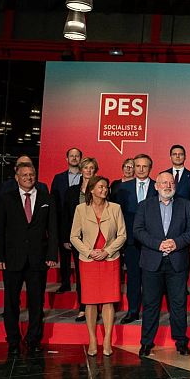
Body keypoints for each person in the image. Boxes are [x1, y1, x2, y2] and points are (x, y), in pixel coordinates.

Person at [0, 162, 58, 355]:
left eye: (31, 174)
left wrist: (52, 255)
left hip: (38, 260)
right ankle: (13, 340)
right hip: (12, 259)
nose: (29, 178)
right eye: (24, 175)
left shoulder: (47, 198)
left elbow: (53, 229)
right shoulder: (6, 199)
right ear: (17, 177)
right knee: (11, 302)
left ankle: (33, 339)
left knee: (37, 302)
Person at [134, 172, 190, 357]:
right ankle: (146, 342)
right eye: (163, 182)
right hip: (151, 262)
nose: (167, 185)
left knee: (178, 304)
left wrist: (176, 242)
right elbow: (138, 230)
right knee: (150, 304)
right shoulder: (144, 206)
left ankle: (181, 341)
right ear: (156, 186)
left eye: (171, 182)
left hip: (177, 262)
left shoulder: (186, 205)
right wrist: (158, 244)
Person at [69, 175, 126, 357]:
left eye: (106, 187)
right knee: (91, 301)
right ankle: (93, 340)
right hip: (89, 261)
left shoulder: (115, 208)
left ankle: (107, 340)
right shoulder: (80, 209)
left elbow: (122, 235)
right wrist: (89, 251)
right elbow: (73, 237)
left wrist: (107, 251)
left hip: (109, 259)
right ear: (91, 190)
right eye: (100, 187)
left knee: (109, 300)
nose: (104, 189)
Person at [116, 154, 155, 324]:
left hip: (152, 241)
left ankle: (149, 311)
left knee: (150, 279)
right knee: (133, 277)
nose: (140, 169)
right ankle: (133, 311)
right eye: (137, 166)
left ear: (150, 168)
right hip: (131, 241)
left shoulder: (158, 186)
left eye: (144, 166)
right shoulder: (123, 188)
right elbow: (118, 215)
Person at [62, 157, 99, 322]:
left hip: (97, 238)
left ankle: (96, 306)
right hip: (78, 239)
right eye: (86, 168)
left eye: (92, 168)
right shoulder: (71, 191)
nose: (89, 171)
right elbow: (66, 216)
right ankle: (83, 307)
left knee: (95, 276)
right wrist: (66, 237)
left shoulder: (101, 188)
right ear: (81, 170)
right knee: (81, 274)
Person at [50, 147, 82, 293]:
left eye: (77, 156)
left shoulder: (86, 177)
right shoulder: (58, 178)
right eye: (71, 156)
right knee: (64, 253)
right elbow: (53, 200)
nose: (74, 158)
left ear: (80, 159)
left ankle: (82, 283)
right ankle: (65, 283)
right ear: (66, 159)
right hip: (63, 219)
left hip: (81, 219)